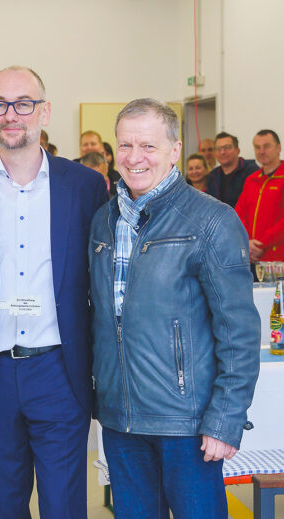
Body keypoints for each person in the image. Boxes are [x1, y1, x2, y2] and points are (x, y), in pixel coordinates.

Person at [0, 66, 108, 518]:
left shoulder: (85, 187)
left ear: (44, 111)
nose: (11, 114)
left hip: (59, 371)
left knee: (64, 505)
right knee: (3, 506)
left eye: (24, 103)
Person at [89, 98, 259, 518]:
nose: (134, 158)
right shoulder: (103, 221)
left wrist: (225, 419)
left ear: (175, 149)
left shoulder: (212, 221)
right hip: (121, 420)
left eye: (148, 146)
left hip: (187, 424)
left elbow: (238, 331)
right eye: (125, 146)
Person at [235, 129, 284, 263]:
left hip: (278, 259)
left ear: (278, 148)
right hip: (251, 257)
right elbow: (239, 215)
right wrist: (247, 242)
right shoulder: (251, 180)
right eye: (257, 147)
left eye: (267, 146)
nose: (261, 151)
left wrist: (260, 244)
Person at [206, 131, 258, 207]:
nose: (222, 152)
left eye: (227, 147)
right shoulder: (213, 175)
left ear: (238, 150)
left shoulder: (251, 172)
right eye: (218, 149)